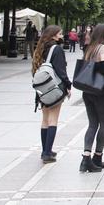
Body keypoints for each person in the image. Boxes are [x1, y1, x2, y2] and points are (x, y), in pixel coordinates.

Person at [77, 24, 104, 173]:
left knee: (92, 124)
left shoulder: (90, 47)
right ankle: (97, 156)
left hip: (87, 90)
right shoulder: (102, 48)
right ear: (103, 34)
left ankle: (85, 158)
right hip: (99, 91)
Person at [31, 26, 70, 163]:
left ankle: (45, 150)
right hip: (54, 88)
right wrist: (68, 85)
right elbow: (61, 70)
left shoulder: (40, 48)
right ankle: (47, 152)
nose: (61, 36)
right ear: (53, 36)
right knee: (53, 120)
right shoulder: (57, 49)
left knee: (45, 120)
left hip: (42, 88)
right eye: (59, 34)